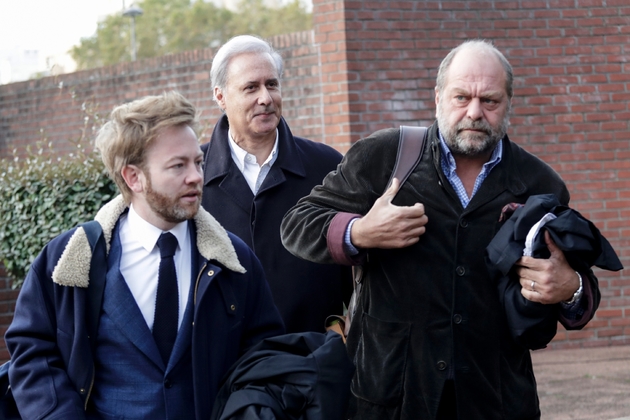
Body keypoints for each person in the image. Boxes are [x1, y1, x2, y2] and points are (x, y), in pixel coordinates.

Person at [280, 40, 601, 419]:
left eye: (490, 101)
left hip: (495, 401)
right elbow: (298, 222)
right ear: (437, 97)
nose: (474, 112)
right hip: (389, 399)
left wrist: (570, 288)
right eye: (461, 97)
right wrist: (359, 232)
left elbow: (580, 285)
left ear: (509, 103)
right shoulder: (385, 156)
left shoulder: (539, 182)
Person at [5, 91, 284, 419]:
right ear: (133, 177)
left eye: (198, 161)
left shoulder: (234, 260)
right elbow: (32, 352)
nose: (195, 176)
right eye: (178, 165)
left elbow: (265, 355)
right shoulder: (66, 260)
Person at [201, 34, 352, 334]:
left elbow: (359, 267)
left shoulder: (328, 167)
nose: (266, 98)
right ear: (220, 97)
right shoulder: (194, 176)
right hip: (226, 370)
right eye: (250, 87)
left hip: (313, 363)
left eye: (272, 84)